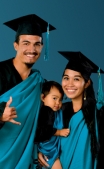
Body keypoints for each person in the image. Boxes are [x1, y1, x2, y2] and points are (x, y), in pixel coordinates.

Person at [38, 51, 104, 169]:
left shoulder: (101, 115)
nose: (69, 84)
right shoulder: (58, 111)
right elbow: (43, 137)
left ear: (86, 83)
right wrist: (41, 153)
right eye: (66, 78)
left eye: (76, 79)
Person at [0, 14, 56, 168]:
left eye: (37, 44)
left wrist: (38, 148)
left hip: (23, 160)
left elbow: (38, 124)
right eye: (26, 43)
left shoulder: (39, 82)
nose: (32, 49)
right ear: (15, 45)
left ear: (42, 47)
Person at [34, 81, 70, 169]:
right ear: (43, 97)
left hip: (53, 150)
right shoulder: (45, 111)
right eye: (54, 98)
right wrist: (59, 132)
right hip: (47, 150)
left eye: (60, 99)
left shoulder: (58, 112)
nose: (58, 102)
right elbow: (43, 131)